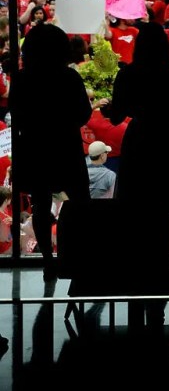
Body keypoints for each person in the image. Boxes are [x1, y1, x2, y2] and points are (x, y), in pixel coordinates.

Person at [110, 23, 169, 281]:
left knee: (137, 205)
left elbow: (116, 116)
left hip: (139, 141)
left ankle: (138, 264)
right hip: (167, 141)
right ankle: (162, 265)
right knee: (164, 207)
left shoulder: (127, 74)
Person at [10, 24, 92, 280]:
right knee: (80, 202)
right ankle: (81, 256)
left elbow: (17, 115)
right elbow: (84, 113)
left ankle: (48, 261)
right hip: (66, 146)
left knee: (40, 204)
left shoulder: (22, 79)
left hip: (35, 147)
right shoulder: (69, 77)